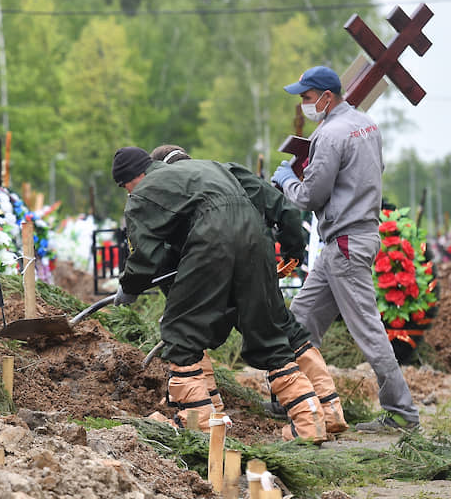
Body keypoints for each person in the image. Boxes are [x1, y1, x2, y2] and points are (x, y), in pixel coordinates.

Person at [112, 146, 326, 442]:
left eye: (125, 187)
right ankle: (310, 422)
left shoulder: (144, 192)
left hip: (212, 240)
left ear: (132, 179)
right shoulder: (212, 167)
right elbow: (278, 206)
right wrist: (293, 245)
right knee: (269, 333)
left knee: (180, 332)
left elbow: (146, 254)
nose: (128, 192)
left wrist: (130, 285)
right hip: (256, 238)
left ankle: (199, 424)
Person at [272, 66, 420, 432]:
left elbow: (310, 196)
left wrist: (286, 180)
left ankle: (402, 414)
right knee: (302, 318)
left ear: (325, 96)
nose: (305, 105)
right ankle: (295, 397)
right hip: (349, 239)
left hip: (344, 243)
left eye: (306, 98)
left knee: (368, 330)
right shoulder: (364, 123)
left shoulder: (330, 135)